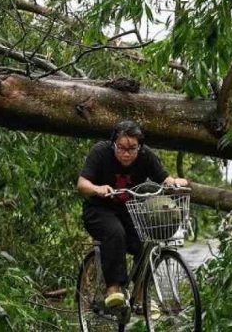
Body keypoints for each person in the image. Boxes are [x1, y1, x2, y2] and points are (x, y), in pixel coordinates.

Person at [77, 120, 188, 308]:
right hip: (98, 210)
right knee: (115, 233)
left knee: (145, 242)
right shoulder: (100, 152)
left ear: (140, 146)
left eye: (132, 149)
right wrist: (97, 188)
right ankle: (113, 288)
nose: (126, 153)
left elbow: (165, 179)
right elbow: (82, 184)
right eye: (121, 148)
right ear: (114, 143)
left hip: (128, 211)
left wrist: (176, 182)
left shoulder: (146, 156)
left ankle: (140, 293)